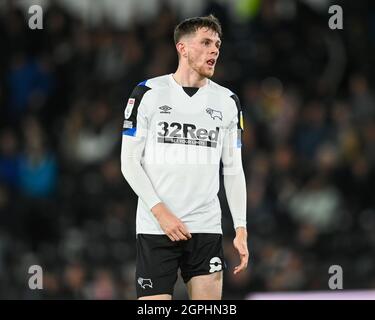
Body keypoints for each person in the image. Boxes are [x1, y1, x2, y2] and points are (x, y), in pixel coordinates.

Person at [121, 14, 248, 300]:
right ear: (183, 48)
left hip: (205, 227)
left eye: (217, 44)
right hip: (156, 227)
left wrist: (241, 227)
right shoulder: (148, 93)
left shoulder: (228, 102)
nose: (214, 49)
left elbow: (233, 169)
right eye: (205, 42)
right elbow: (129, 162)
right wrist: (160, 211)